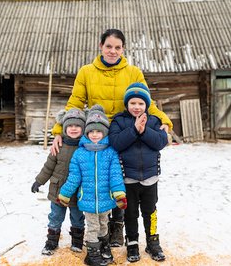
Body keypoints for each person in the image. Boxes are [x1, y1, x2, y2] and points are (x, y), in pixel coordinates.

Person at [50, 28, 173, 247]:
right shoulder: (86, 72)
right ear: (101, 47)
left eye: (117, 47)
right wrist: (59, 129)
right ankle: (96, 225)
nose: (113, 51)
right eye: (109, 46)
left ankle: (118, 226)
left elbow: (148, 103)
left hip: (125, 132)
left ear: (123, 49)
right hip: (96, 134)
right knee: (96, 179)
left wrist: (164, 120)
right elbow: (75, 103)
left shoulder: (133, 72)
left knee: (120, 178)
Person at [58, 105, 127, 266]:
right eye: (91, 132)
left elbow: (115, 175)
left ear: (104, 132)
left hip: (106, 199)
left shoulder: (110, 152)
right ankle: (92, 254)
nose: (95, 135)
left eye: (98, 131)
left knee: (104, 225)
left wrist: (119, 194)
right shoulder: (80, 153)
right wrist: (65, 193)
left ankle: (104, 247)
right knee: (93, 227)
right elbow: (74, 177)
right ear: (87, 133)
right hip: (88, 200)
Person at [109, 83, 168, 262]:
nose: (137, 107)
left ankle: (152, 241)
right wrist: (134, 129)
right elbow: (116, 142)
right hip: (128, 178)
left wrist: (144, 131)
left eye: (141, 103)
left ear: (147, 105)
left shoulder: (154, 121)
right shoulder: (119, 121)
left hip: (150, 178)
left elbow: (160, 142)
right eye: (133, 103)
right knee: (131, 213)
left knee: (150, 211)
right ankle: (132, 242)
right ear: (127, 104)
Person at [31, 108, 86, 255]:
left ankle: (77, 242)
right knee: (55, 217)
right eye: (70, 126)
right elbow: (48, 167)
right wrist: (39, 181)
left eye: (77, 126)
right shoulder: (58, 146)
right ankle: (51, 242)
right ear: (64, 128)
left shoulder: (86, 148)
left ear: (84, 128)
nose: (73, 129)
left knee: (77, 217)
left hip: (77, 193)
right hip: (58, 189)